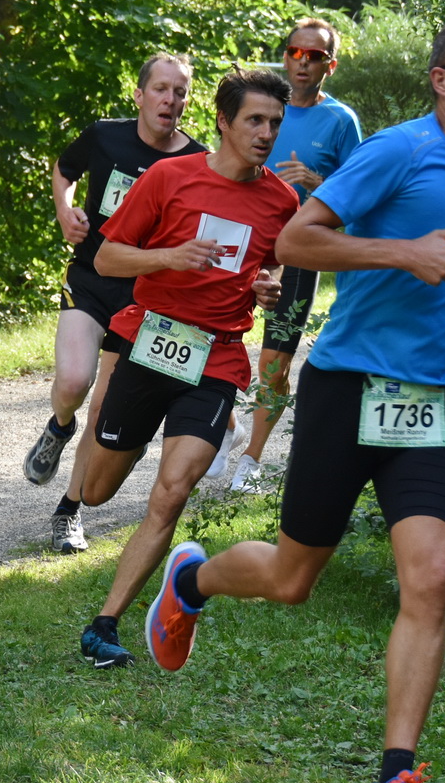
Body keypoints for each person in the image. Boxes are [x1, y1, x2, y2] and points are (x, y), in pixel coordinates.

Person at [140, 12, 445, 783]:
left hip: (427, 397)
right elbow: (297, 239)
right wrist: (404, 254)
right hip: (346, 384)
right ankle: (191, 581)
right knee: (294, 578)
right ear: (443, 79)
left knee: (431, 577)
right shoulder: (396, 149)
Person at [75, 69, 299, 668]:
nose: (266, 133)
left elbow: (268, 267)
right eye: (255, 120)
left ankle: (106, 623)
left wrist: (266, 288)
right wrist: (169, 256)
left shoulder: (281, 200)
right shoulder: (168, 177)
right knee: (96, 493)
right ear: (224, 121)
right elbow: (107, 254)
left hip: (217, 356)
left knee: (173, 491)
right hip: (149, 341)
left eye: (275, 123)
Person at [25, 54, 209, 555]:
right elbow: (63, 170)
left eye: (181, 92)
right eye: (162, 90)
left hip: (144, 297)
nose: (171, 100)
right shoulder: (104, 136)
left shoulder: (195, 161)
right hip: (91, 279)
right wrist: (65, 209)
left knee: (104, 402)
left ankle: (68, 511)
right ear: (141, 95)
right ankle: (59, 427)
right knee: (72, 383)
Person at [228, 18, 363, 492]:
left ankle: (251, 459)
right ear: (284, 55)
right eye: (294, 53)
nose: (302, 63)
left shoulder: (341, 122)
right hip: (240, 241)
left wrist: (317, 185)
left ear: (331, 64)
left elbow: (361, 205)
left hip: (298, 252)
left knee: (274, 363)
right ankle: (227, 427)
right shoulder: (262, 108)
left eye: (315, 56)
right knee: (211, 339)